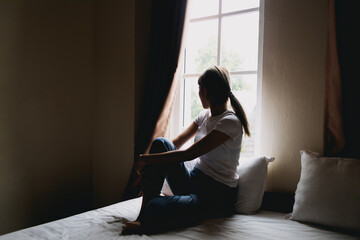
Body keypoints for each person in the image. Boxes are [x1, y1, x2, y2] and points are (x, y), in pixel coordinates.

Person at [122, 66, 250, 234]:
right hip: (195, 181)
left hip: (216, 196)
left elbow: (189, 154)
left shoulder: (229, 122)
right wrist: (153, 163)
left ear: (206, 90)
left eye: (199, 88)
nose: (198, 93)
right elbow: (175, 143)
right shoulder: (205, 116)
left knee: (156, 206)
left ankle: (153, 212)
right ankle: (143, 217)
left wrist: (145, 159)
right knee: (161, 143)